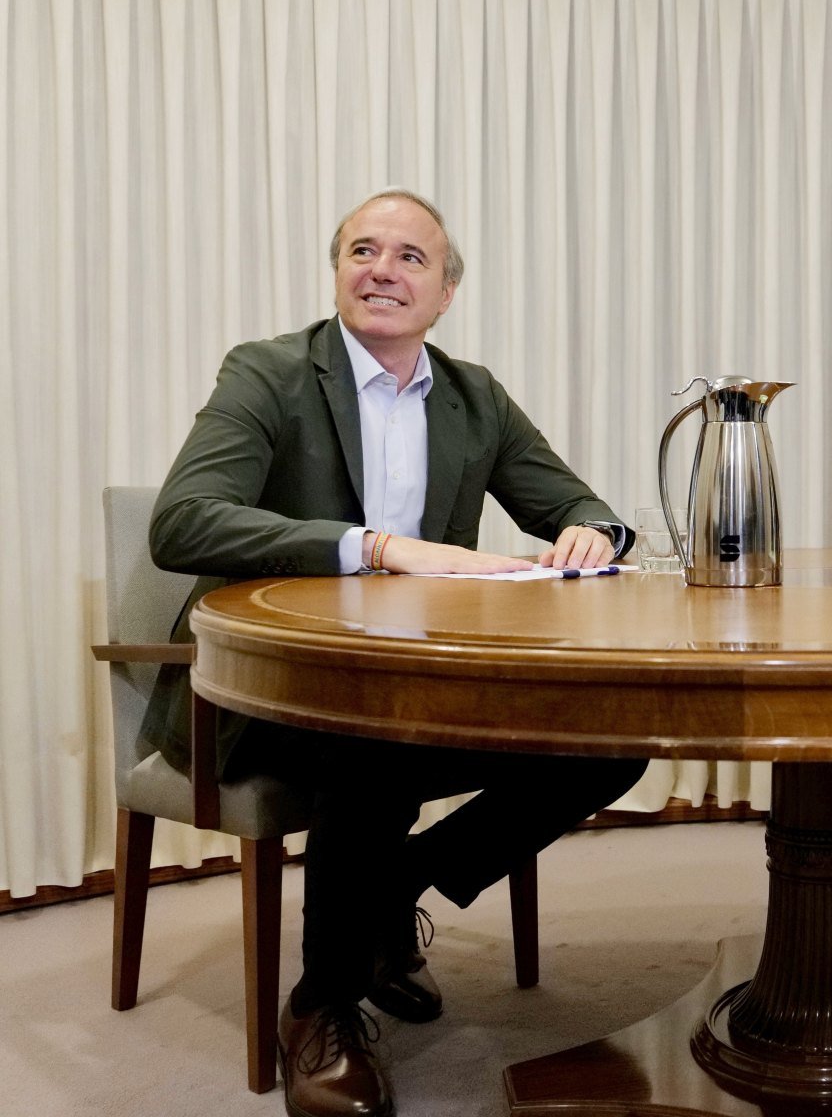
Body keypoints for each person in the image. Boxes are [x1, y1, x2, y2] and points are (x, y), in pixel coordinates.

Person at [143, 188, 648, 1117]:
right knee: (369, 744)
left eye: (411, 257)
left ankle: (391, 892)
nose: (384, 269)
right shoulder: (267, 374)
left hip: (422, 686)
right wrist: (374, 546)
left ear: (445, 291)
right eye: (363, 251)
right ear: (338, 273)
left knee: (613, 738)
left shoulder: (474, 395)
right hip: (269, 694)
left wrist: (593, 534)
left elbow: (580, 504)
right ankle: (321, 1007)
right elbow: (182, 521)